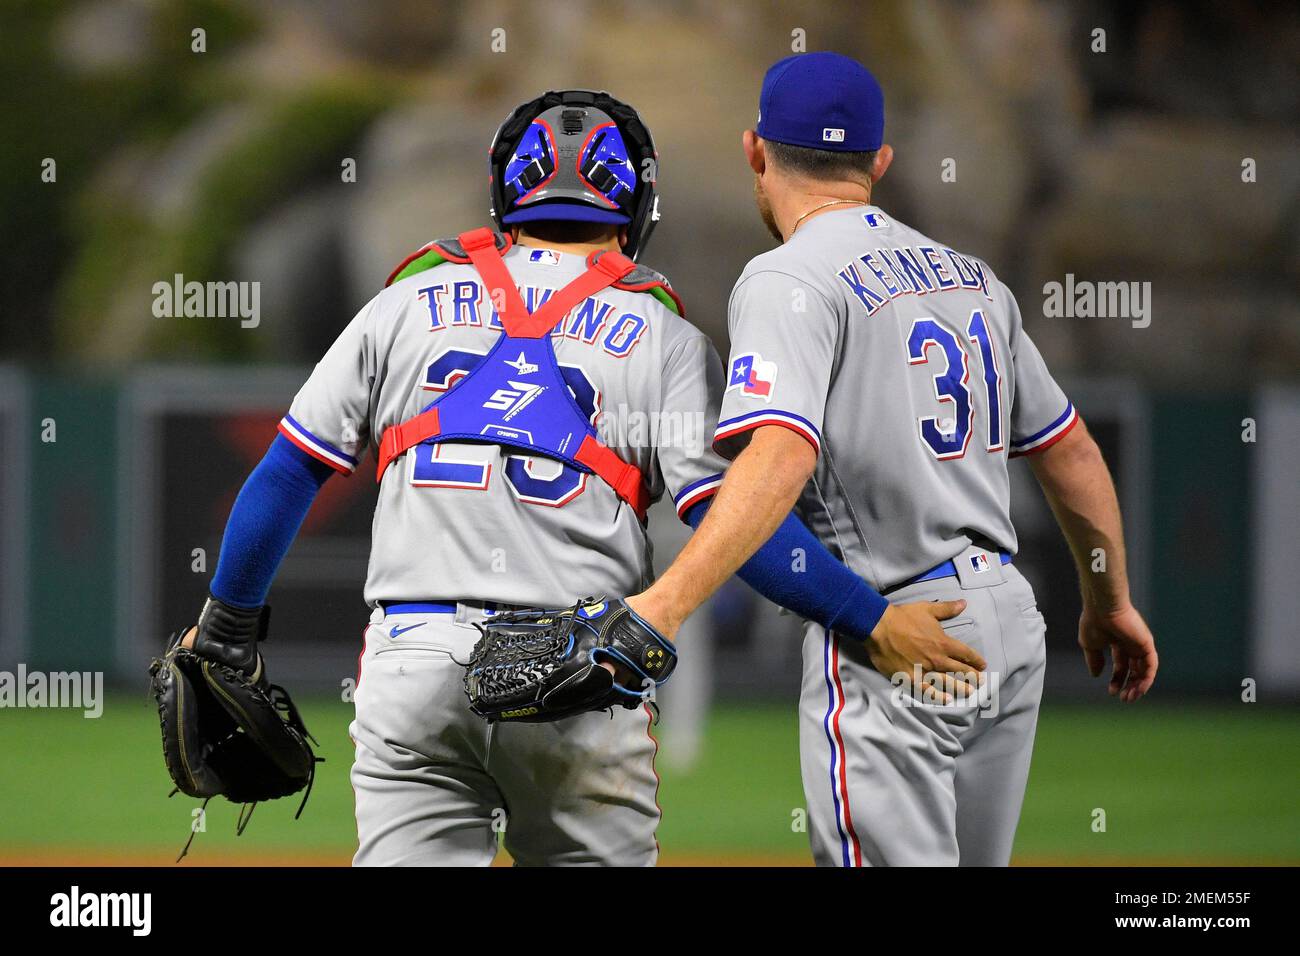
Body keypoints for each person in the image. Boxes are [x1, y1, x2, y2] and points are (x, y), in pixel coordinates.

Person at [176, 88, 969, 866]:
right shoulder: (666, 339)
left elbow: (286, 474)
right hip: (580, 667)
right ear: (637, 204)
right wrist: (867, 617)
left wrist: (225, 633)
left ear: (505, 194)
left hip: (411, 663)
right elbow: (741, 524)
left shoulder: (403, 305)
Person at [626, 52, 1159, 866]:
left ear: (754, 151)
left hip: (899, 631)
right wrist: (1107, 598)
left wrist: (661, 606)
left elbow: (777, 459)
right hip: (1009, 628)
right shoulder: (973, 278)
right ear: (879, 162)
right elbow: (1071, 448)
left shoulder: (787, 277)